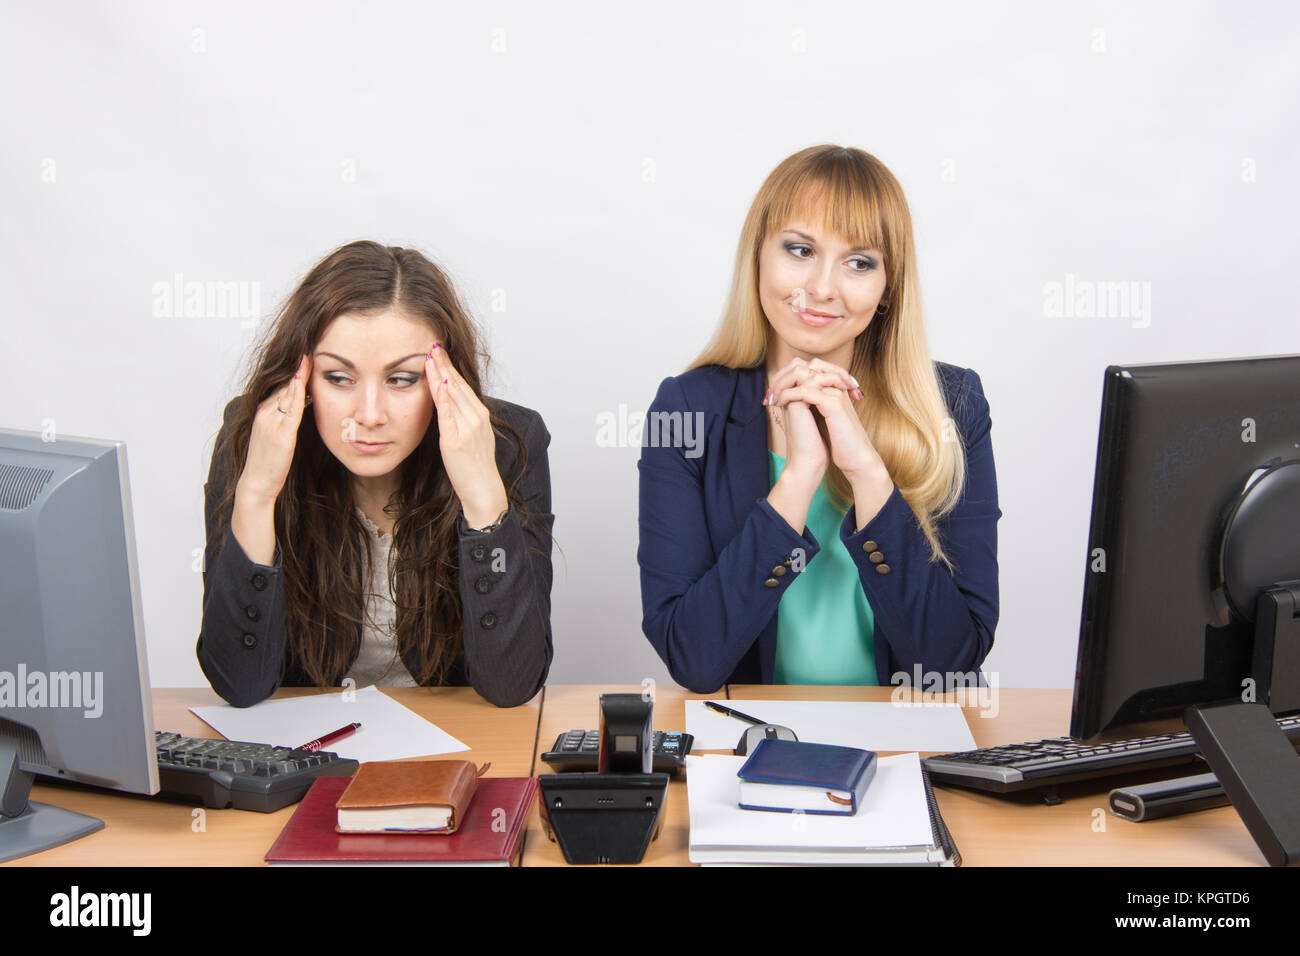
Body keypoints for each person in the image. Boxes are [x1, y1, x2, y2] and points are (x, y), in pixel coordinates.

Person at [637, 145, 1000, 694]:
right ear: (757, 256)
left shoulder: (953, 406)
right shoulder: (686, 410)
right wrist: (800, 475)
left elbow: (951, 664)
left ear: (887, 289)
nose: (824, 287)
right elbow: (694, 657)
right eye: (800, 249)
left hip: (898, 740)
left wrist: (869, 476)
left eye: (860, 262)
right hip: (751, 742)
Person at [197, 240, 553, 707]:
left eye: (401, 379)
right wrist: (258, 495)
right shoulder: (254, 436)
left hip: (456, 751)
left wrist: (483, 494)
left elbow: (512, 685)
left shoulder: (509, 444)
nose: (369, 414)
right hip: (311, 757)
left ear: (446, 380)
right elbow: (238, 685)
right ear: (299, 379)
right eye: (339, 378)